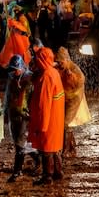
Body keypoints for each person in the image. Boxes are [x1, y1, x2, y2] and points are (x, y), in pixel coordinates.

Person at [28, 47, 65, 186]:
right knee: (54, 147)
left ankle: (47, 176)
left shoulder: (46, 77)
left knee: (46, 148)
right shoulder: (53, 72)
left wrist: (41, 125)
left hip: (48, 120)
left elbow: (44, 104)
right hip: (56, 117)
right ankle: (57, 172)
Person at [4, 54, 40, 183]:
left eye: (16, 69)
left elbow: (34, 98)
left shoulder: (30, 78)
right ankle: (38, 159)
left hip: (25, 116)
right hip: (14, 115)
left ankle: (17, 171)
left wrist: (33, 114)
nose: (15, 71)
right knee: (20, 143)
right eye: (13, 69)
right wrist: (5, 114)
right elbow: (8, 97)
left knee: (20, 145)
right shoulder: (11, 78)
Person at [55, 47, 92, 158]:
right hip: (64, 97)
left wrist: (71, 77)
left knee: (65, 123)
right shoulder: (60, 68)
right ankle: (71, 147)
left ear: (66, 60)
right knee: (65, 123)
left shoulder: (74, 68)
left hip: (74, 98)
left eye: (61, 62)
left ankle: (66, 150)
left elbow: (80, 82)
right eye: (58, 62)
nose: (59, 64)